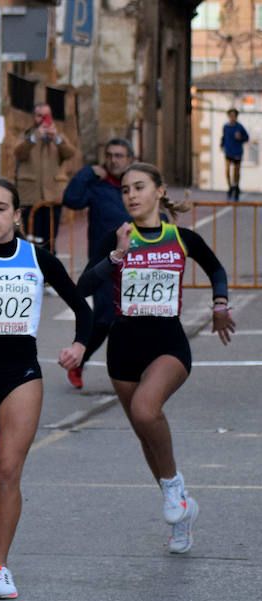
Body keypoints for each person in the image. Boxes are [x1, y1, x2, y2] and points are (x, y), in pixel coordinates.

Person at [0, 178, 91, 601]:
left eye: (0, 208)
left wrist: (80, 345)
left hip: (23, 375)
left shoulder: (38, 259)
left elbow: (82, 307)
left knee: (8, 472)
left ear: (16, 216)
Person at [76, 161, 233, 554]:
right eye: (125, 189)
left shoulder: (181, 238)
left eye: (139, 187)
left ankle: (175, 489)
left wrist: (220, 303)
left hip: (167, 343)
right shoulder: (117, 239)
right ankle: (180, 512)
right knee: (146, 435)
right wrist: (116, 256)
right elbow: (81, 286)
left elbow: (215, 268)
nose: (131, 195)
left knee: (147, 411)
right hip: (123, 346)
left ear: (159, 191)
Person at [61, 137, 134, 388]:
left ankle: (135, 372)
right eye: (110, 155)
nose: (114, 160)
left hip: (136, 267)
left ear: (130, 160)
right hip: (104, 264)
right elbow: (71, 199)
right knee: (104, 319)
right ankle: (80, 361)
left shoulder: (135, 189)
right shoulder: (97, 186)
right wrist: (86, 172)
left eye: (119, 155)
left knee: (132, 320)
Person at [13, 103, 78, 248]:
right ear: (34, 118)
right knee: (32, 236)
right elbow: (19, 153)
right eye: (39, 116)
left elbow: (70, 153)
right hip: (31, 195)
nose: (43, 120)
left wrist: (56, 139)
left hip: (53, 195)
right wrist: (34, 138)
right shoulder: (26, 136)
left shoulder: (59, 136)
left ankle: (49, 260)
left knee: (50, 238)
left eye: (46, 116)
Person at [221, 109, 249, 201]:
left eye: (234, 116)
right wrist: (222, 145)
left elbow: (246, 137)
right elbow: (224, 137)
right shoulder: (226, 127)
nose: (232, 118)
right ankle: (230, 187)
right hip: (229, 151)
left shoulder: (240, 127)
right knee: (227, 170)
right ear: (229, 117)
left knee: (236, 172)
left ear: (236, 117)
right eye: (230, 116)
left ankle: (236, 186)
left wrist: (241, 138)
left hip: (237, 152)